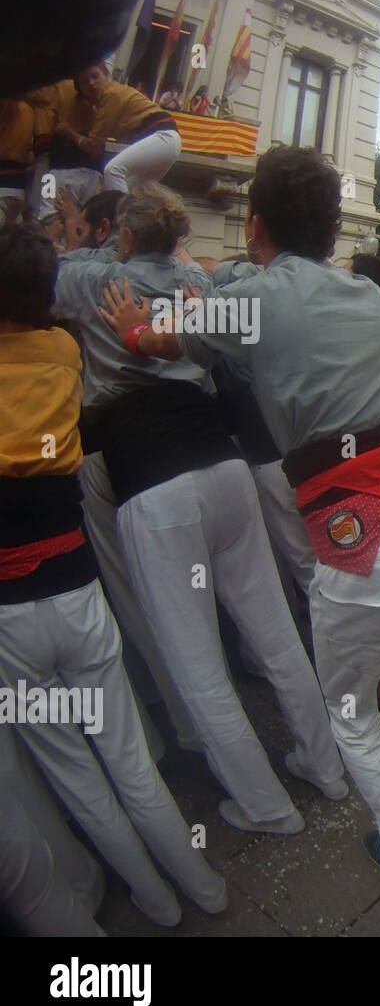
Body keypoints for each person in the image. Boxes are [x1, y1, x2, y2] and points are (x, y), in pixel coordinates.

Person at [100, 146, 380, 904]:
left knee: (349, 709)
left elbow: (163, 343)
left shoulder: (256, 302)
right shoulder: (365, 298)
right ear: (329, 229)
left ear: (254, 226)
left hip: (361, 539)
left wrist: (131, 327)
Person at [59, 184, 346, 834]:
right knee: (274, 629)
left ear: (125, 236)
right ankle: (323, 766)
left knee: (195, 660)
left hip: (149, 472)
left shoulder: (95, 279)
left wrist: (83, 233)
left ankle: (266, 806)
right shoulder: (198, 280)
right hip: (222, 461)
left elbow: (39, 275)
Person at [0, 223, 228, 926]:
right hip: (73, 582)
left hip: (10, 610)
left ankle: (155, 901)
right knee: (129, 756)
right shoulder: (64, 349)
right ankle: (204, 885)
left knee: (77, 774)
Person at [56, 64, 181, 195]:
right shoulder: (104, 100)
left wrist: (70, 132)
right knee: (132, 191)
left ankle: (118, 215)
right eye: (85, 82)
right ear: (81, 89)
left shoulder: (111, 94)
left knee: (113, 170)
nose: (91, 83)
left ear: (105, 75)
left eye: (95, 76)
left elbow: (93, 147)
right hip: (165, 142)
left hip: (163, 137)